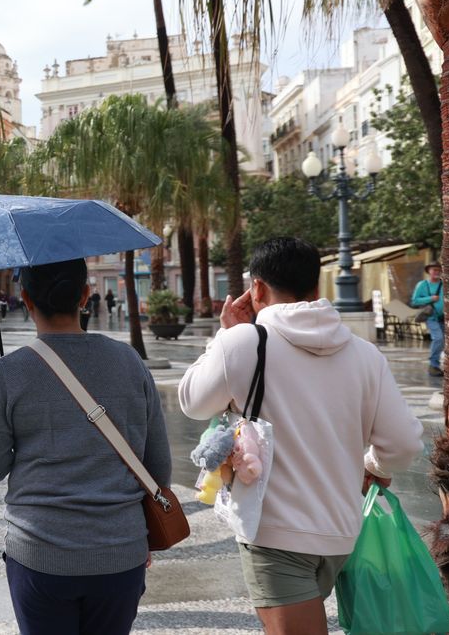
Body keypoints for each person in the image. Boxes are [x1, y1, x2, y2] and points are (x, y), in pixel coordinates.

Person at [178, 237, 423, 635]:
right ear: (317, 287)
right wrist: (372, 465)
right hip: (341, 532)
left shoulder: (244, 341)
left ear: (256, 288)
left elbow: (192, 402)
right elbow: (404, 444)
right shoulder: (363, 354)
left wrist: (225, 337)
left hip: (276, 534)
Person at [0, 258, 171, 635]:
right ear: (85, 294)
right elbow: (158, 466)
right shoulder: (130, 361)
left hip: (39, 553)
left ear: (25, 298)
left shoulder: (9, 372)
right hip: (120, 551)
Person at [412, 262, 444, 376]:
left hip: (445, 318)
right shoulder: (423, 284)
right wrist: (431, 298)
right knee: (438, 338)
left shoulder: (445, 284)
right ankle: (433, 365)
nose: (437, 272)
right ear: (429, 271)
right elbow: (415, 301)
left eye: (439, 270)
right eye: (434, 270)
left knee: (446, 342)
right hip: (431, 317)